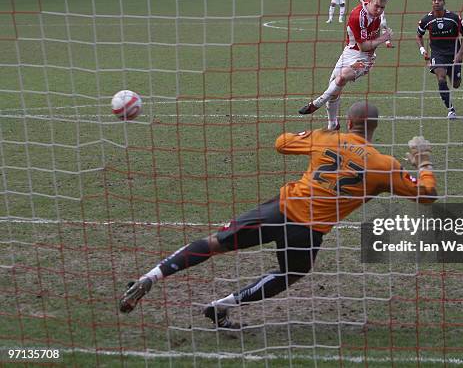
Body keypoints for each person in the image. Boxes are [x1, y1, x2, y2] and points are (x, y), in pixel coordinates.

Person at [119, 101, 438, 328]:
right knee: (290, 274)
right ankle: (222, 306)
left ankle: (152, 276)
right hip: (308, 231)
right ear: (373, 128)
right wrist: (423, 161)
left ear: (350, 122)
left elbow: (281, 143)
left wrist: (315, 137)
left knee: (215, 242)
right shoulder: (384, 166)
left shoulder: (328, 139)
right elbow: (427, 196)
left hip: (278, 209)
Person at [298, 0, 392, 131]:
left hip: (366, 59)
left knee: (341, 77)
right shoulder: (358, 17)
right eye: (376, 6)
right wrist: (383, 38)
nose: (379, 10)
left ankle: (317, 102)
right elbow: (363, 45)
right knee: (334, 88)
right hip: (351, 51)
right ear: (368, 1)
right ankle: (333, 125)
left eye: (382, 8)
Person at [416, 0, 463, 119]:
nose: (436, 2)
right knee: (441, 78)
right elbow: (418, 35)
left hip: (454, 53)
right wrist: (422, 49)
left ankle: (454, 75)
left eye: (439, 0)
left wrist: (460, 53)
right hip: (437, 53)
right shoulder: (426, 20)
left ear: (443, 2)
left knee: (456, 84)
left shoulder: (454, 17)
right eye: (434, 0)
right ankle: (451, 109)